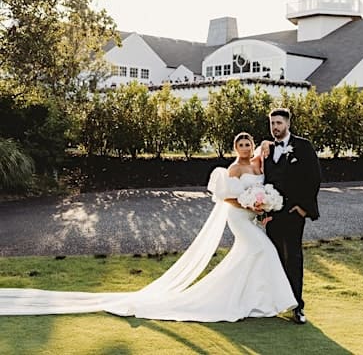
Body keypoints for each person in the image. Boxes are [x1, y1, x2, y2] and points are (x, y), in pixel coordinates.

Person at [0, 133, 296, 322]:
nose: (245, 148)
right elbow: (226, 197)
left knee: (250, 256)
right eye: (240, 145)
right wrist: (249, 205)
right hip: (239, 217)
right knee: (263, 250)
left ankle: (255, 300)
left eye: (248, 144)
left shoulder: (257, 163)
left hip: (253, 217)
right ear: (235, 148)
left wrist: (263, 203)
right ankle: (262, 300)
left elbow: (268, 152)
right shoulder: (231, 169)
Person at [256, 108, 322, 324]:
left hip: (294, 213)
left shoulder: (303, 146)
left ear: (288, 124)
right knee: (274, 258)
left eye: (279, 123)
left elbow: (314, 178)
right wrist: (263, 212)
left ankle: (297, 307)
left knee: (293, 258)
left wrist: (303, 208)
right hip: (273, 214)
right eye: (272, 123)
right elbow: (264, 181)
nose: (275, 127)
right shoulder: (267, 149)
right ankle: (276, 302)